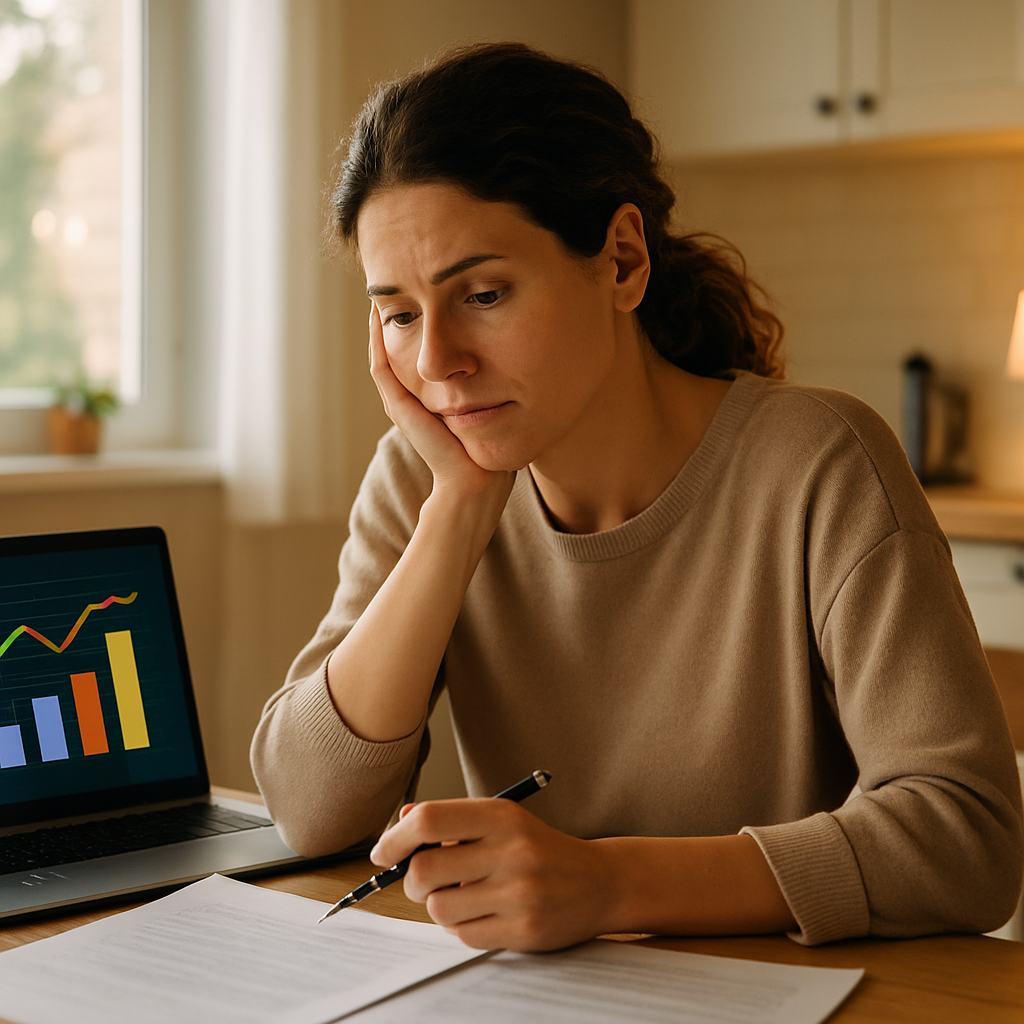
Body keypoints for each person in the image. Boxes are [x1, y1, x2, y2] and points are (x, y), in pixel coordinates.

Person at [251, 42, 1023, 952]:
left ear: (621, 260)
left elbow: (968, 837)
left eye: (485, 293)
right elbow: (307, 811)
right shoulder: (424, 478)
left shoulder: (818, 462)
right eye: (401, 313)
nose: (436, 364)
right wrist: (458, 510)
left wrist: (609, 884)